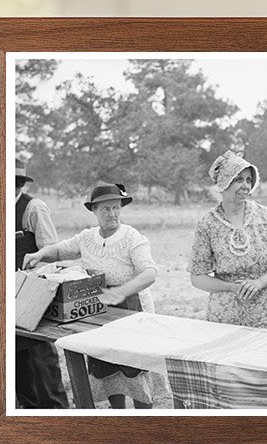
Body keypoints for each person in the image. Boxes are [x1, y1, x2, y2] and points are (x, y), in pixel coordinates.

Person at [25, 182, 161, 409]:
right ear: (94, 211)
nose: (112, 214)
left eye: (116, 208)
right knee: (106, 365)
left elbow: (150, 273)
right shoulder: (87, 238)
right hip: (99, 312)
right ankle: (118, 416)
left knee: (134, 369)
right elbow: (59, 250)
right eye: (105, 209)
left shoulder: (132, 238)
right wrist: (39, 254)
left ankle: (142, 421)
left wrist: (120, 291)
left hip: (133, 311)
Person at [188, 151, 267, 329]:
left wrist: (260, 282)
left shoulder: (265, 217)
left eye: (248, 180)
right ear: (224, 183)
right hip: (225, 316)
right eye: (238, 179)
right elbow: (197, 277)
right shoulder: (208, 224)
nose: (245, 185)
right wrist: (231, 287)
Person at [12, 164, 68, 410]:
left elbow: (51, 253)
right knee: (17, 359)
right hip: (5, 293)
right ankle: (27, 411)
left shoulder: (33, 208)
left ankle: (55, 414)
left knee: (40, 358)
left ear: (18, 183)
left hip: (33, 292)